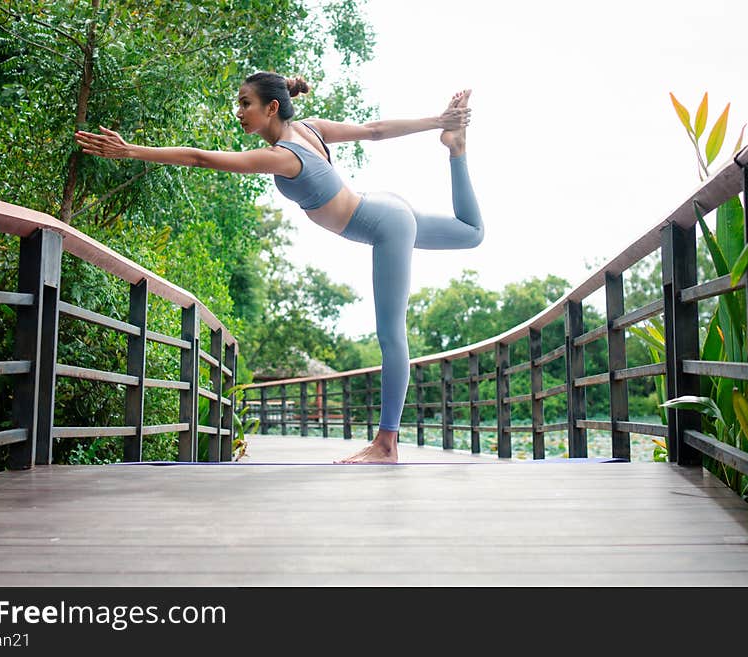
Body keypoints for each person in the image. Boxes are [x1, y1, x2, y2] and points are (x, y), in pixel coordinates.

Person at [74, 71, 484, 464]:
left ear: (271, 108)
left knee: (391, 334)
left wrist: (130, 150)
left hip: (385, 224)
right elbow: (372, 130)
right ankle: (456, 147)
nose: (239, 112)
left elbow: (201, 159)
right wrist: (439, 122)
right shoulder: (311, 128)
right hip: (387, 208)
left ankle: (387, 443)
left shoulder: (283, 157)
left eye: (245, 103)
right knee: (470, 233)